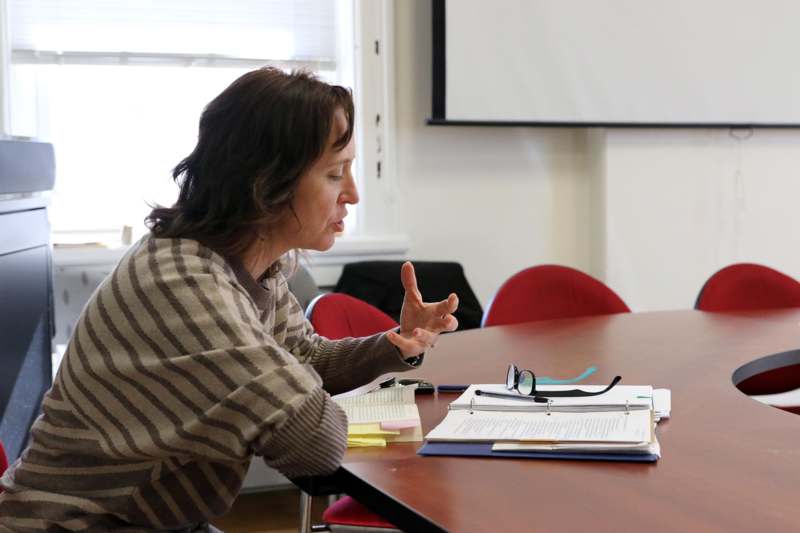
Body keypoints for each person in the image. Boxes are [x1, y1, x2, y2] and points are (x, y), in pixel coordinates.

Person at [0, 67, 459, 532]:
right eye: (335, 173)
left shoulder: (253, 264)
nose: (354, 194)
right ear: (267, 183)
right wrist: (301, 400)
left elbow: (306, 357)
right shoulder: (181, 284)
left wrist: (395, 344)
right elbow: (315, 443)